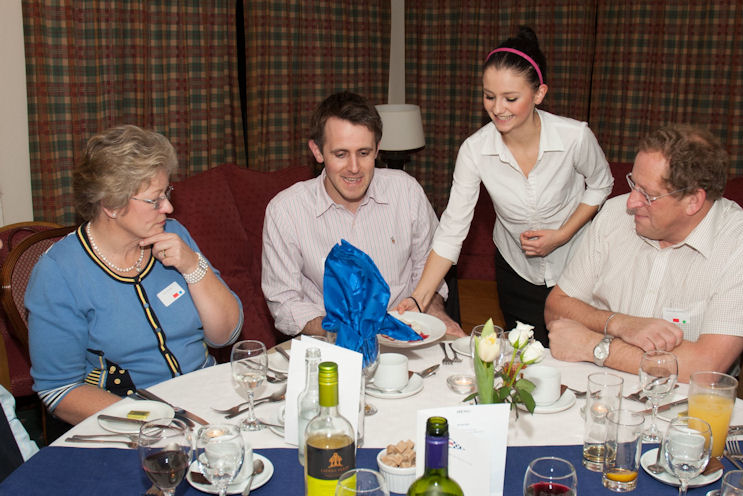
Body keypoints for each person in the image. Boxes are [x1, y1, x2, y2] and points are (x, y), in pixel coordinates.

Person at [399, 27, 613, 346]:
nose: (498, 108)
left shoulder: (574, 137)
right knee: (525, 360)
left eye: (511, 98)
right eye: (489, 96)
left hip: (577, 268)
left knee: (576, 354)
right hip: (516, 270)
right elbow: (452, 230)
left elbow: (601, 185)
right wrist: (418, 300)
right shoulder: (475, 150)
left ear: (539, 94)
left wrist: (561, 235)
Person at [26, 125, 243, 425]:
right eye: (155, 200)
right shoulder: (59, 273)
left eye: (167, 193)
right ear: (111, 205)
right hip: (128, 422)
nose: (168, 207)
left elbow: (226, 334)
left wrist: (193, 266)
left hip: (208, 401)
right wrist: (160, 418)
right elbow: (59, 389)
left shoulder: (174, 234)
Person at [544, 124, 743, 381]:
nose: (631, 202)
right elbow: (556, 307)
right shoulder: (614, 214)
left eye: (648, 195)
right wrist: (619, 323)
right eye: (633, 184)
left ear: (694, 201)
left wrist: (594, 346)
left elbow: (703, 368)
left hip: (680, 403)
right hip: (594, 384)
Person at [262, 91, 462, 337]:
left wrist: (438, 317)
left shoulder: (406, 192)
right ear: (317, 151)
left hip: (406, 338)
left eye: (364, 153)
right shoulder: (285, 211)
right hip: (332, 344)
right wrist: (342, 331)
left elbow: (427, 273)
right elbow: (285, 303)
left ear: (378, 149)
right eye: (341, 154)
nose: (354, 168)